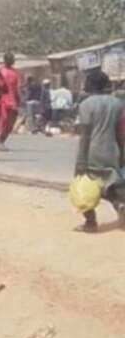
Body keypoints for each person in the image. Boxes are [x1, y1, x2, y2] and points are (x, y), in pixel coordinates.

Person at [74, 70, 124, 233]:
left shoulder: (86, 104)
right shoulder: (118, 104)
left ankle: (90, 222)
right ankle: (120, 205)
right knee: (110, 186)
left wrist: (81, 161)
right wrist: (123, 153)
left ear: (91, 84)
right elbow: (120, 133)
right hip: (112, 151)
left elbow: (85, 136)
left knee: (83, 188)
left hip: (93, 152)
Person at [0, 53, 21, 150]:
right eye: (10, 59)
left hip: (12, 101)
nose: (12, 61)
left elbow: (17, 88)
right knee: (2, 121)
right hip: (1, 100)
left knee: (10, 123)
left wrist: (19, 99)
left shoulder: (15, 73)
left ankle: (1, 141)